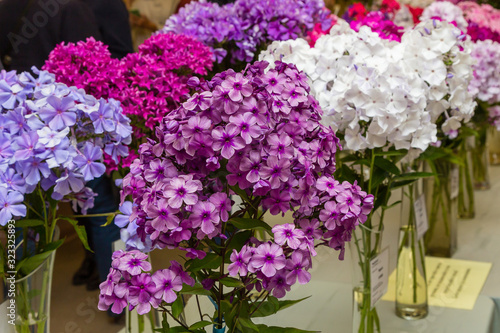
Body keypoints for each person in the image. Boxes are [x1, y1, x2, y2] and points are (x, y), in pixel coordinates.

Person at [0, 0, 101, 72]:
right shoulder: (73, 8)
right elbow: (90, 66)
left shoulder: (7, 5)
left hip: (12, 92)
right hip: (53, 96)